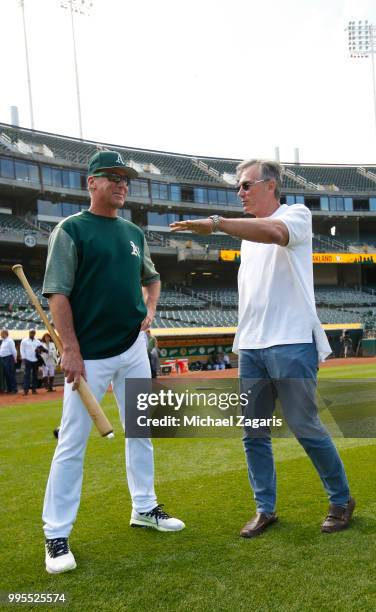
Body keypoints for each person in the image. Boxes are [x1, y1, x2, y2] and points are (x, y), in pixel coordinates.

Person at [171, 159, 354, 538]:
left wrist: (216, 224)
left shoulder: (296, 215)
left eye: (245, 185)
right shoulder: (247, 237)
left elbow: (273, 232)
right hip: (252, 345)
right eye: (238, 187)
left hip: (291, 340)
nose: (239, 192)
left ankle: (340, 500)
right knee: (253, 431)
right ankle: (265, 508)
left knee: (304, 424)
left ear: (270, 185)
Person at [42, 150, 184, 575]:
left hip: (132, 349)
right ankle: (56, 533)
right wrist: (69, 349)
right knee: (72, 443)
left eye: (126, 179)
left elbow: (152, 277)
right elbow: (58, 294)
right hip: (89, 356)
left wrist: (150, 309)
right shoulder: (71, 230)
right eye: (112, 177)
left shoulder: (132, 233)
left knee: (141, 432)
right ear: (91, 183)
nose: (122, 184)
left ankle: (144, 507)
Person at [20, 329, 41, 395]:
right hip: (27, 359)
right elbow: (22, 350)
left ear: (35, 333)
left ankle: (34, 390)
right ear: (29, 333)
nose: (32, 334)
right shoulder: (24, 341)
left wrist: (39, 351)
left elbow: (41, 349)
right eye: (31, 333)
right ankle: (25, 390)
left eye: (33, 333)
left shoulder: (38, 341)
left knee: (35, 375)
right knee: (27, 375)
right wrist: (24, 358)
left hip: (35, 360)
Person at [0, 329, 18, 393]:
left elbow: (14, 350)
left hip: (9, 358)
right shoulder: (3, 341)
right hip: (3, 358)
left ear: (5, 333)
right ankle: (9, 388)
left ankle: (14, 388)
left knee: (10, 373)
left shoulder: (10, 340)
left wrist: (15, 358)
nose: (0, 335)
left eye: (1, 333)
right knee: (6, 374)